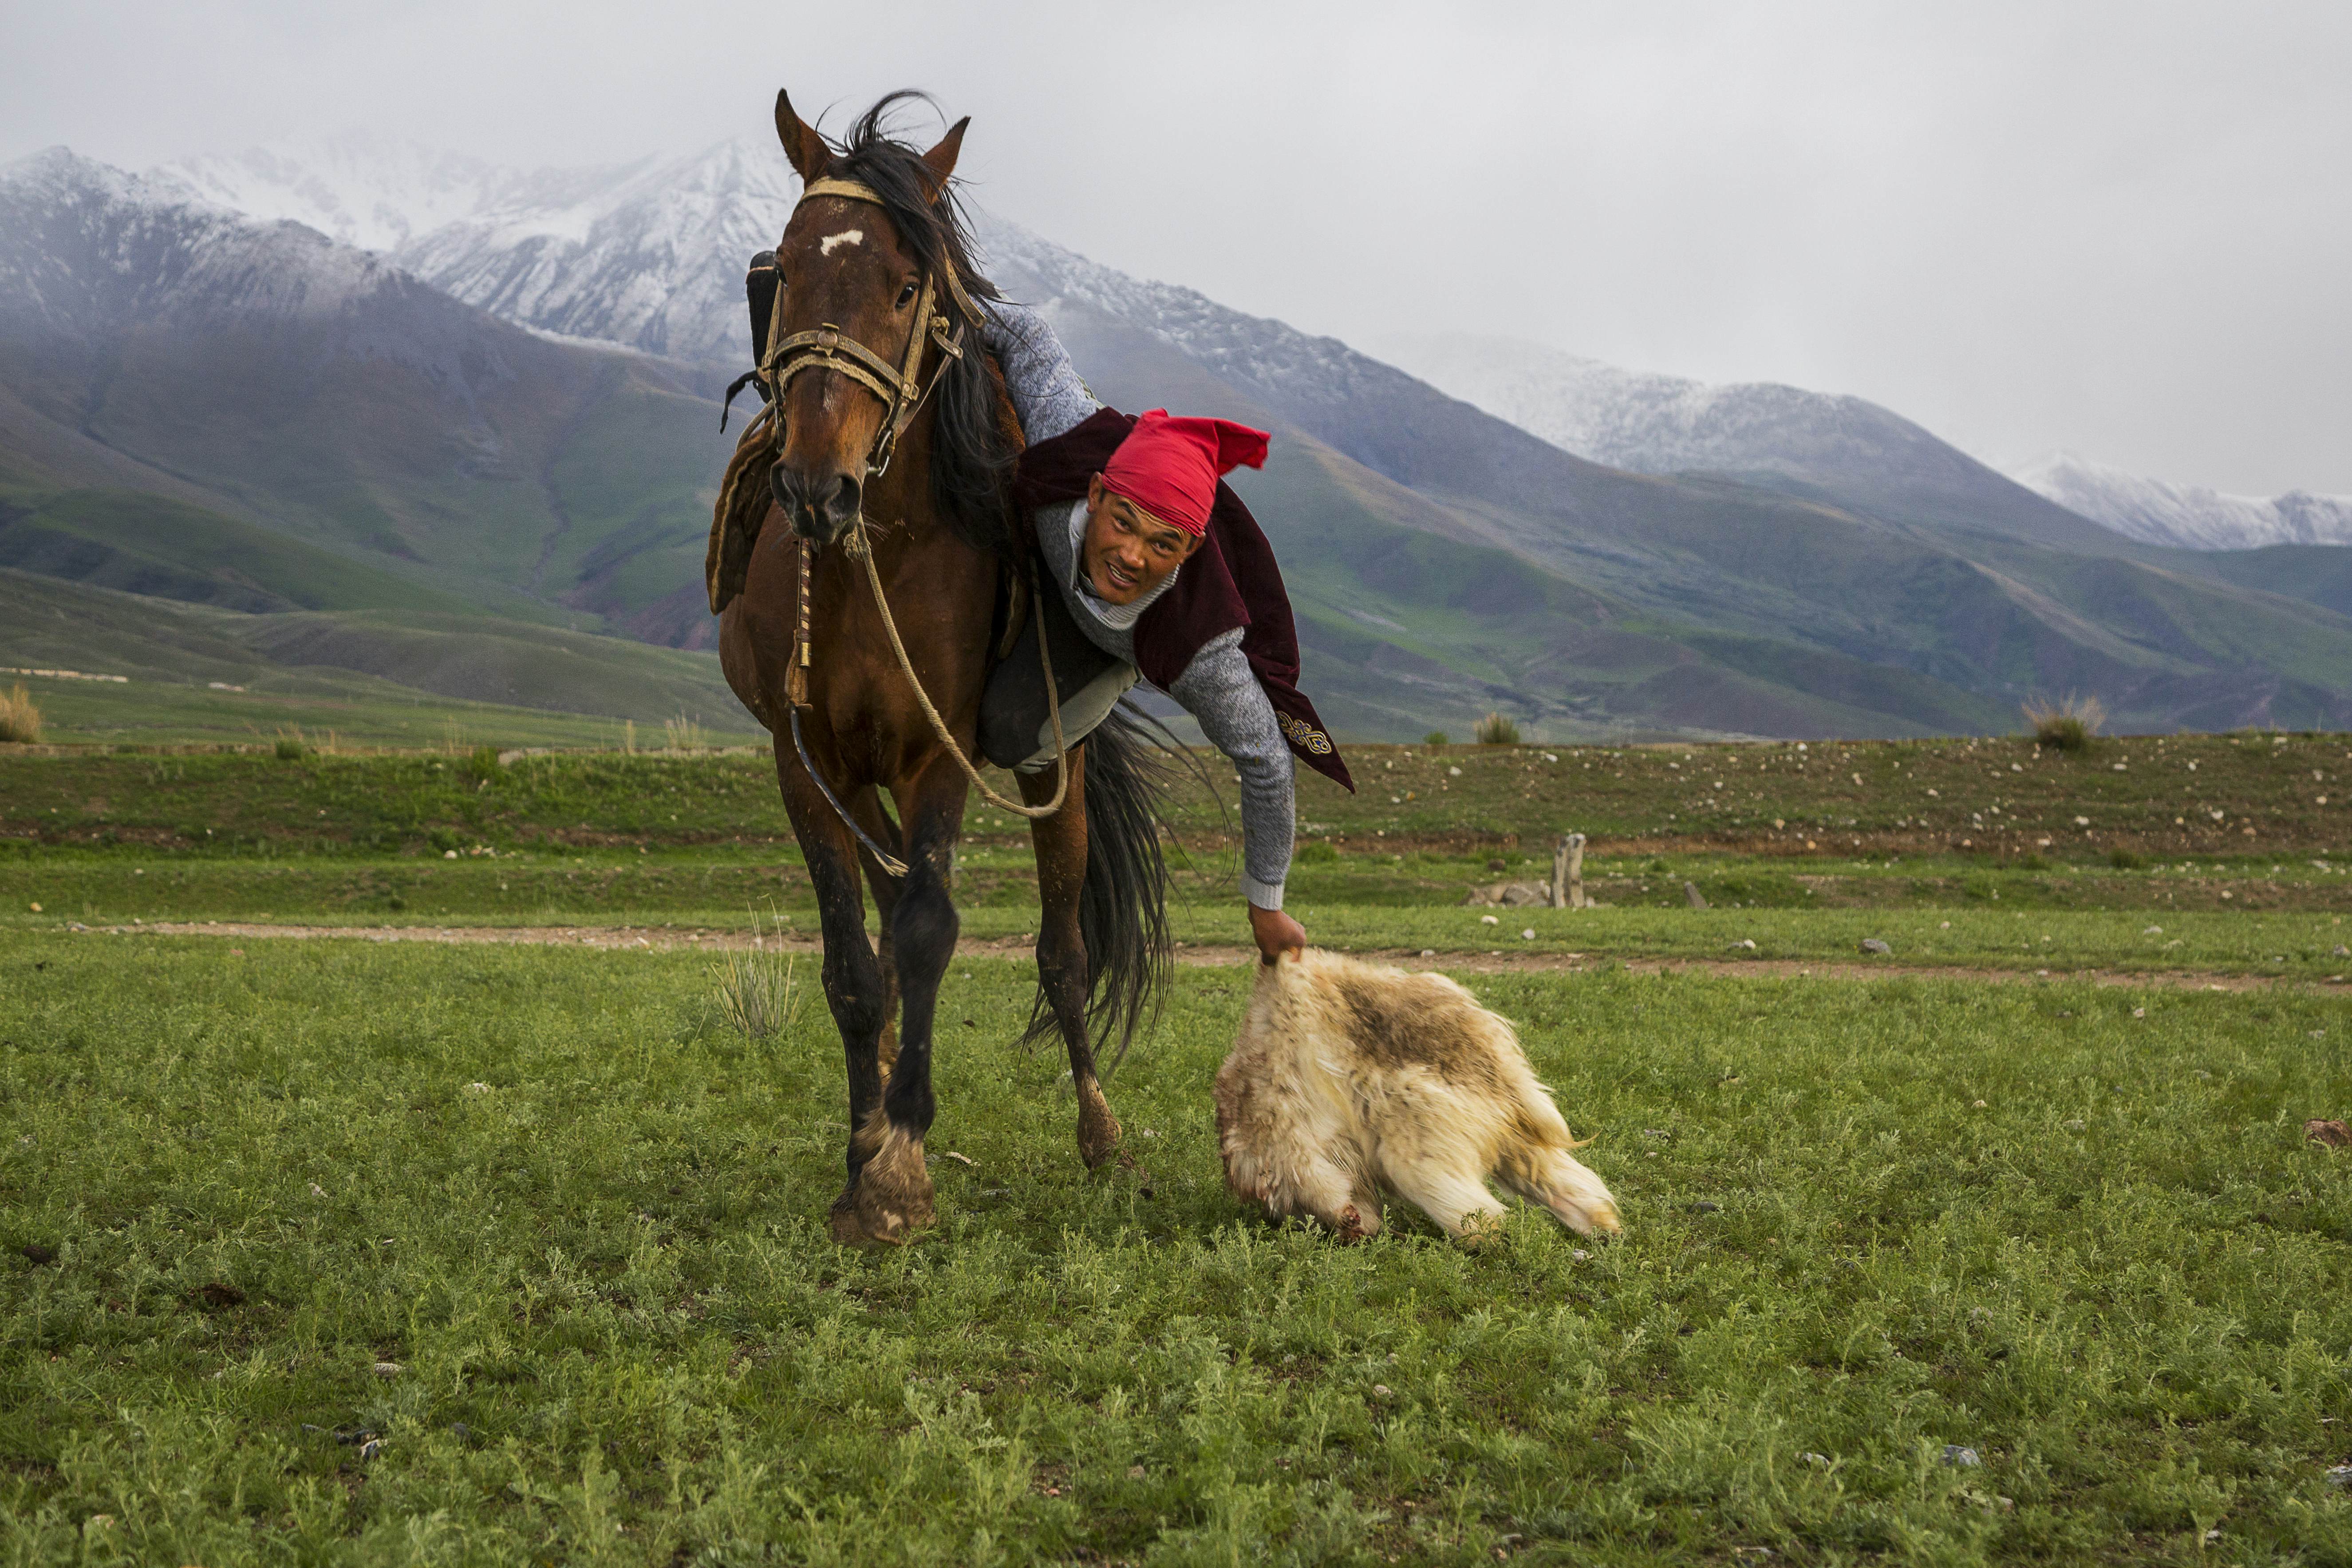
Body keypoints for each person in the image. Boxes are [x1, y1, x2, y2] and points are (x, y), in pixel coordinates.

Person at [976, 303, 1354, 964]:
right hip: (1031, 561)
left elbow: (1266, 759)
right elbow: (1026, 332)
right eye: (1123, 521)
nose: (1132, 556)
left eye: (1163, 544)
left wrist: (1267, 904)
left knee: (1010, 733)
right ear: (1094, 495)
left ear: (1189, 551)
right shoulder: (1066, 439)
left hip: (1109, 644)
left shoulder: (1198, 644)